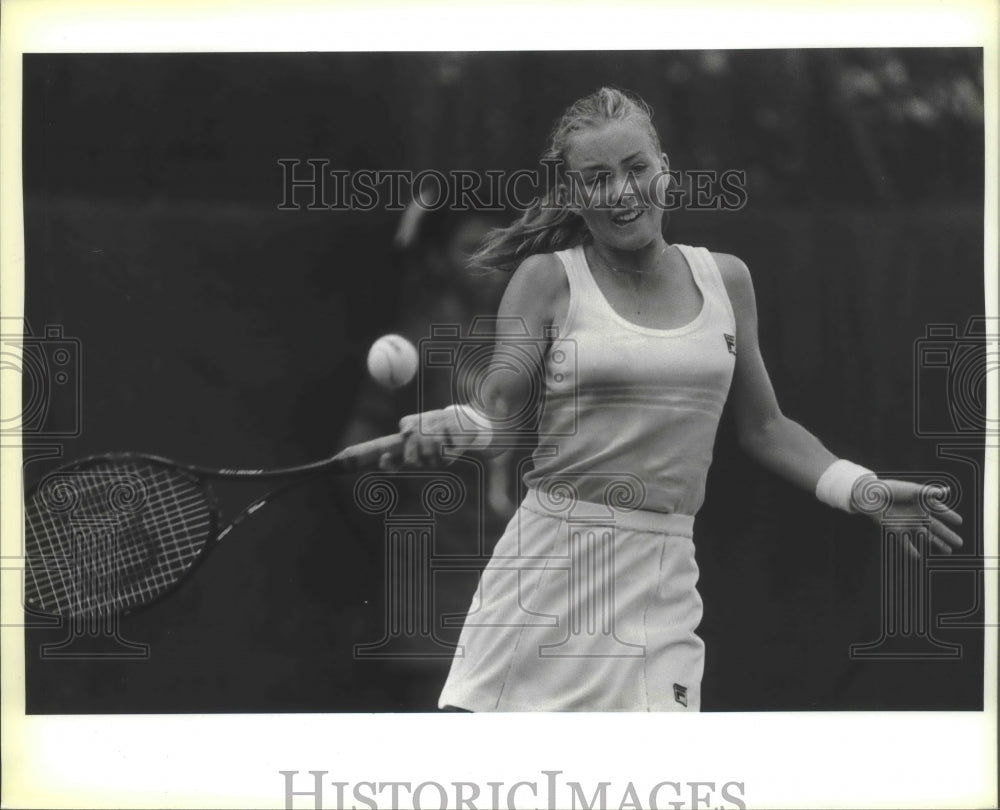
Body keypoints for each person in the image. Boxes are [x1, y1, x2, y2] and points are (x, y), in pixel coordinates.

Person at [380, 86, 964, 712]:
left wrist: (861, 488)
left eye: (636, 168)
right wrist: (453, 426)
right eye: (598, 178)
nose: (624, 192)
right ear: (575, 195)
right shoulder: (546, 280)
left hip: (664, 580)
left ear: (666, 172)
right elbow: (498, 411)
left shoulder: (728, 280)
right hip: (546, 575)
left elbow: (765, 427)